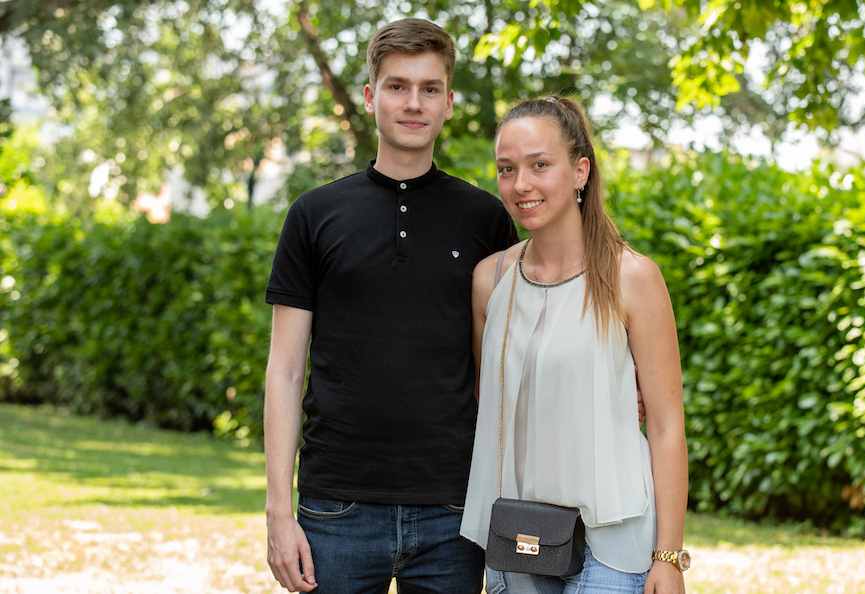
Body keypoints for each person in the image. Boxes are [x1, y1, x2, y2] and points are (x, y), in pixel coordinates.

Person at [263, 18, 518, 594]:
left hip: (454, 508)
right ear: (369, 96)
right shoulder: (313, 214)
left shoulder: (485, 219)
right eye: (397, 86)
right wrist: (279, 511)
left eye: (430, 88)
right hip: (336, 507)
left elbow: (511, 357)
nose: (413, 103)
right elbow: (285, 370)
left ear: (449, 102)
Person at [460, 96, 690, 594]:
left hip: (614, 544)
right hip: (518, 537)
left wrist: (669, 557)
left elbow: (667, 425)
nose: (521, 184)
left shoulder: (632, 277)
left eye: (540, 165)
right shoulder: (489, 281)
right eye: (507, 169)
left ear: (580, 171)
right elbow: (490, 401)